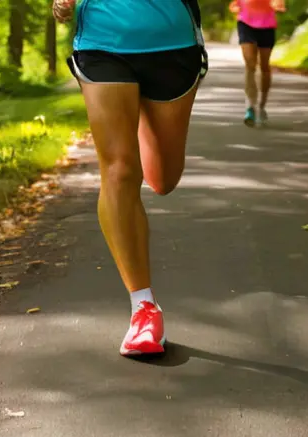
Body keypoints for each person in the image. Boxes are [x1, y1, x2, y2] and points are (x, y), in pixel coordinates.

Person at [52, 0, 206, 356]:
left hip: (171, 42)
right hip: (101, 41)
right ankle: (144, 308)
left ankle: (137, 119)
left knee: (163, 179)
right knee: (120, 170)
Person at [229, 0, 286, 127]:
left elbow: (278, 3)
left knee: (264, 66)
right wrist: (235, 5)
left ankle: (261, 106)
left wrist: (278, 4)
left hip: (267, 26)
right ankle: (250, 107)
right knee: (250, 64)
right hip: (245, 24)